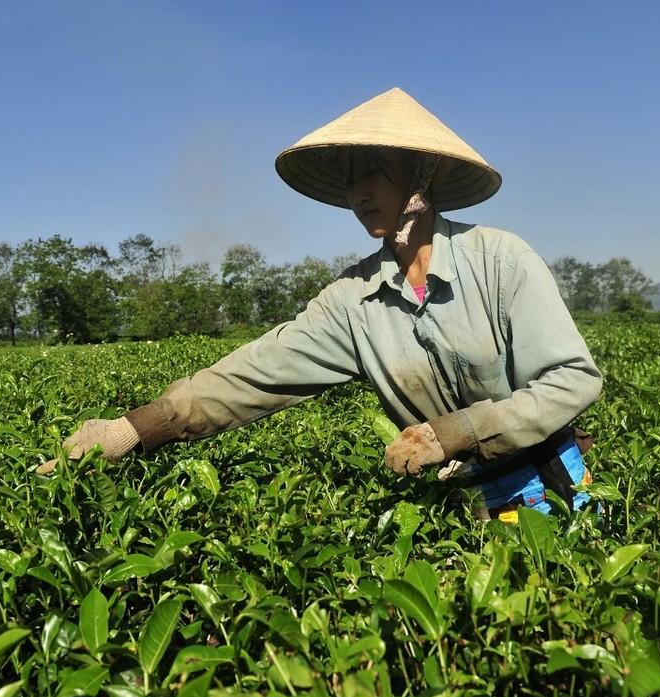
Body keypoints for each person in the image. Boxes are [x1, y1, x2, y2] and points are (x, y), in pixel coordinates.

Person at [37, 87, 602, 521]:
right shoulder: (353, 303)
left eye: (373, 172)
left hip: (548, 476)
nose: (357, 194)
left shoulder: (499, 260)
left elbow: (570, 379)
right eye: (349, 181)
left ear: (422, 174)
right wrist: (135, 428)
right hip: (454, 501)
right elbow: (254, 374)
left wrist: (455, 431)